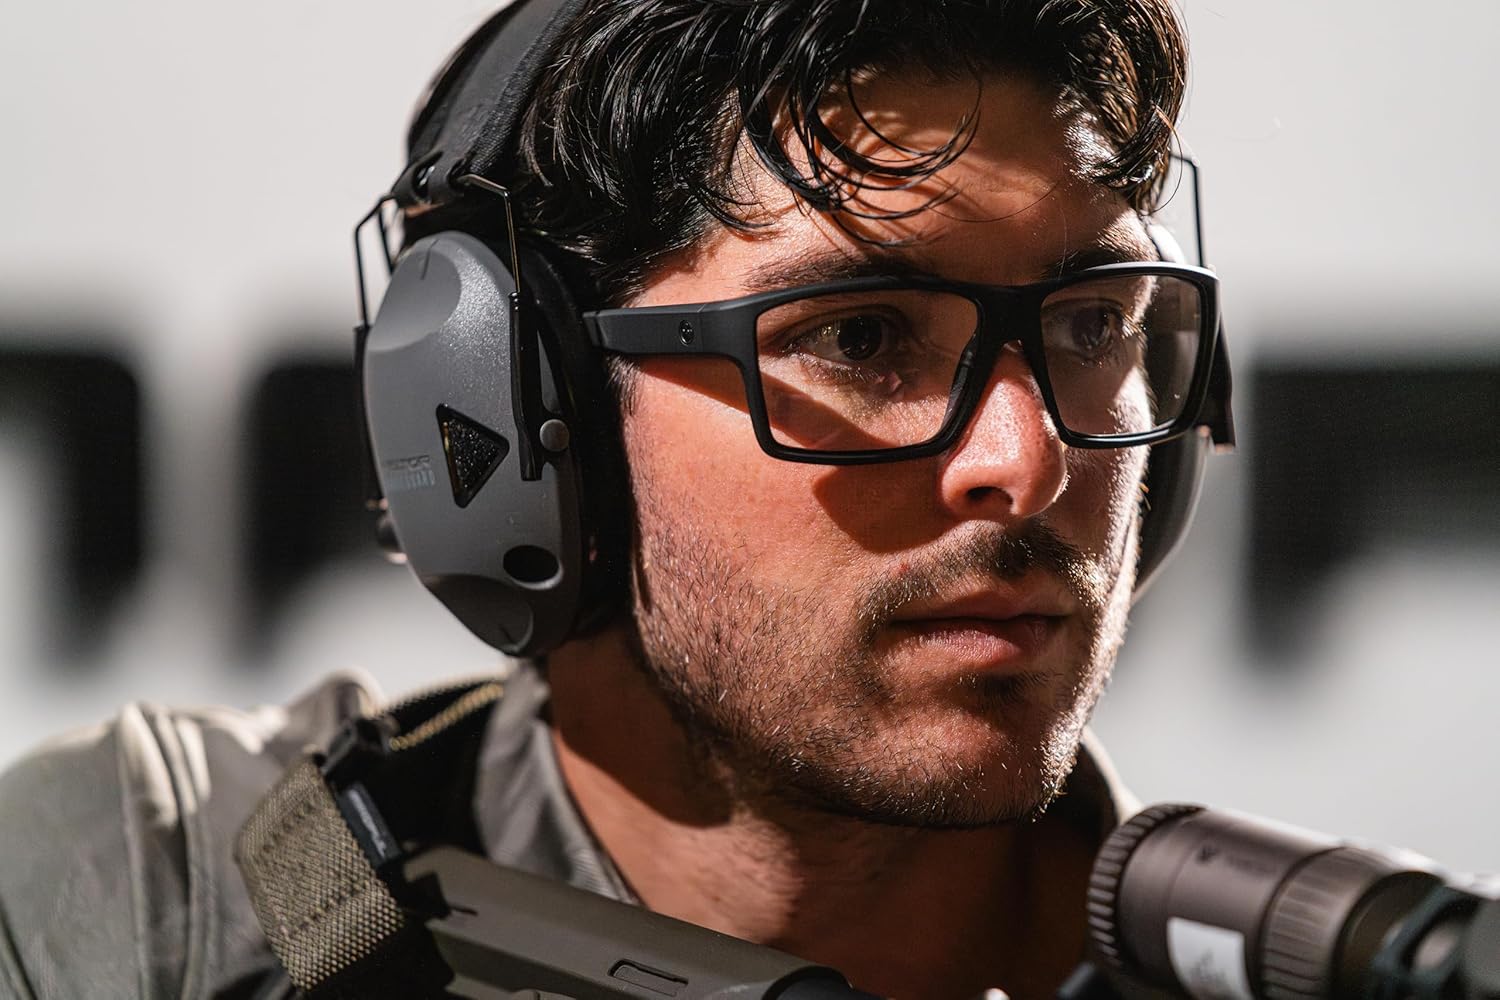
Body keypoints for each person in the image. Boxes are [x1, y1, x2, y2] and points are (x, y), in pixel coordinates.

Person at [0, 1, 1231, 998]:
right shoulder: (159, 905)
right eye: (859, 338)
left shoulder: (1317, 959)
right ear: (519, 410)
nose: (1025, 461)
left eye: (1091, 324)